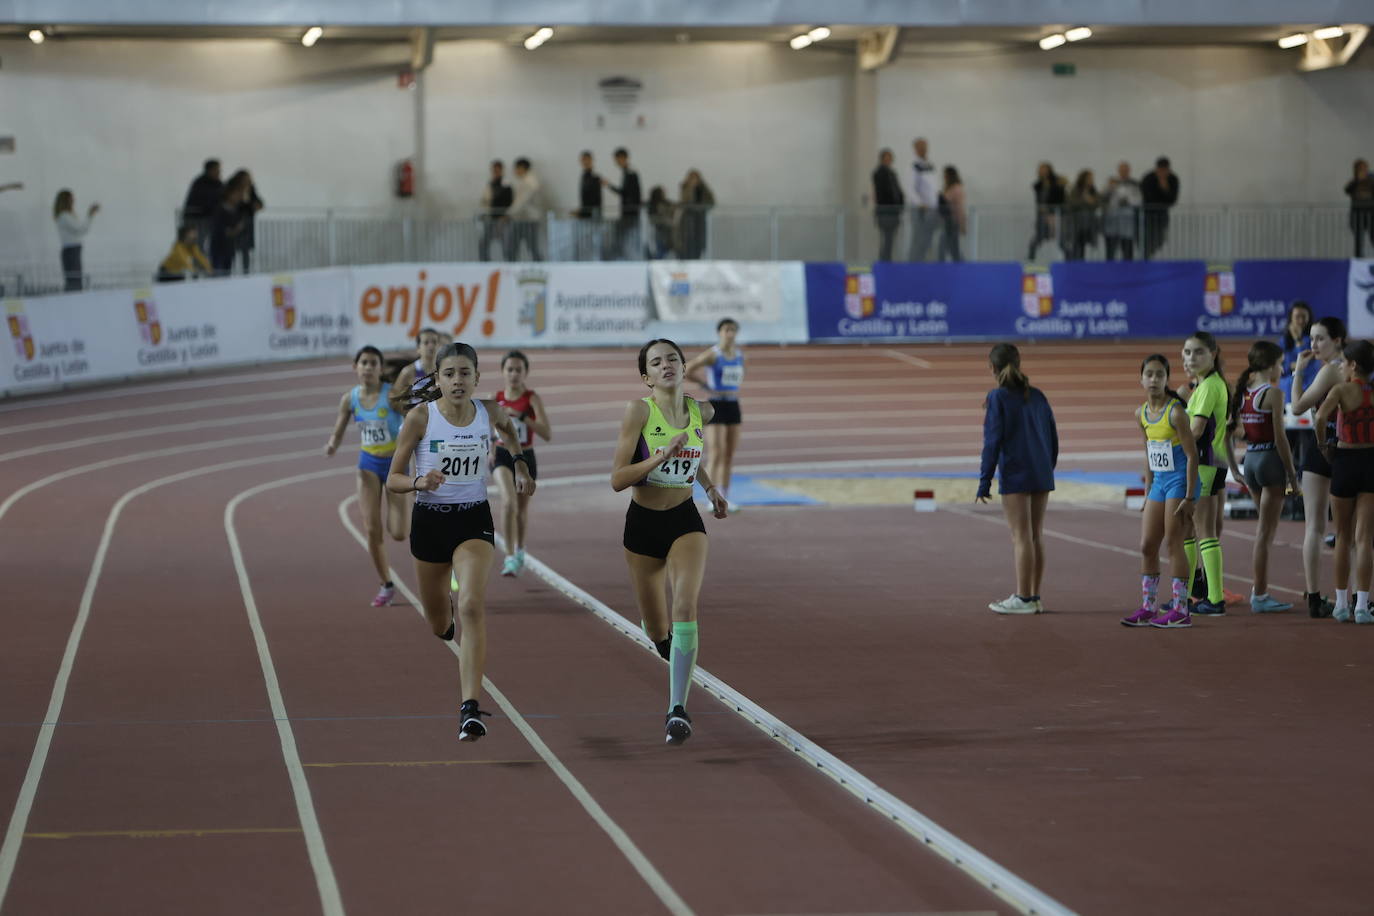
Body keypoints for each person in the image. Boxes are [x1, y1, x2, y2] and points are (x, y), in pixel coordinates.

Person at [386, 342, 534, 740]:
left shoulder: (490, 412)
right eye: (449, 374)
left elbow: (509, 433)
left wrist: (518, 463)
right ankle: (443, 618)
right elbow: (393, 479)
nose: (457, 381)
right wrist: (420, 481)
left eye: (465, 373)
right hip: (429, 523)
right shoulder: (421, 418)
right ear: (437, 379)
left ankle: (470, 707)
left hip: (473, 520)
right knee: (440, 623)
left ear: (477, 378)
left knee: (471, 603)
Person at [611, 339, 729, 744]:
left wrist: (711, 488)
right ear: (646, 377)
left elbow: (691, 458)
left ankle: (676, 709)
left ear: (682, 367)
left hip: (684, 520)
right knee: (658, 630)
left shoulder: (702, 411)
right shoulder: (638, 412)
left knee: (685, 603)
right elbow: (617, 480)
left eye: (673, 359)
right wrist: (658, 457)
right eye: (656, 362)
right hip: (642, 526)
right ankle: (663, 641)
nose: (666, 366)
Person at [976, 343, 1058, 614]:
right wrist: (1048, 467)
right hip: (1041, 471)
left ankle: (1023, 598)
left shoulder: (997, 397)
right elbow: (1053, 436)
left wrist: (985, 480)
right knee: (1036, 535)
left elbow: (992, 442)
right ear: (1019, 363)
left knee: (1020, 536)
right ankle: (1035, 596)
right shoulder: (1037, 396)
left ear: (992, 368)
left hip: (1016, 472)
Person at [326, 345, 409, 607]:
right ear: (355, 367)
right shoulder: (349, 399)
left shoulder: (391, 394)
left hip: (395, 465)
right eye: (364, 363)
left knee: (397, 533)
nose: (368, 368)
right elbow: (339, 428)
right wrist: (332, 444)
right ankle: (386, 583)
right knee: (372, 530)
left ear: (381, 369)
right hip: (368, 465)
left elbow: (415, 418)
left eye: (374, 363)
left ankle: (399, 517)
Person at [1124, 354, 1198, 627]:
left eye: (1159, 375)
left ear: (1167, 379)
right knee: (1147, 545)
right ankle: (1148, 607)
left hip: (1180, 480)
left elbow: (1192, 456)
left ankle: (1181, 610)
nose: (1154, 379)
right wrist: (1146, 492)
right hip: (1159, 483)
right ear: (1141, 378)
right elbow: (1148, 453)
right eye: (1149, 374)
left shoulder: (1175, 412)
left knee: (1173, 543)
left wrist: (1190, 496)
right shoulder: (1140, 413)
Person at [1227, 342, 1300, 613]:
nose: (1282, 369)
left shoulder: (1242, 393)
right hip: (1270, 462)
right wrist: (1292, 476)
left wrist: (1235, 468)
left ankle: (1260, 591)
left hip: (1251, 462)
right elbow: (1281, 439)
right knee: (1264, 534)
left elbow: (1227, 432)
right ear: (1270, 366)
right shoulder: (1273, 394)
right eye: (1281, 364)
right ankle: (1260, 594)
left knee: (1263, 531)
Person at [1290, 316, 1348, 617]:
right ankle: (1353, 598)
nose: (1313, 345)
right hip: (1348, 450)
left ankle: (1314, 597)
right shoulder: (1356, 369)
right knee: (1349, 531)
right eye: (1311, 339)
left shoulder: (1329, 371)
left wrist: (1298, 372)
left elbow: (1297, 406)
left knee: (1315, 526)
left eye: (1320, 338)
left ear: (1338, 340)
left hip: (1323, 447)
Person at [1314, 339, 1374, 624]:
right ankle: (1362, 606)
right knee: (1364, 540)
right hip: (1371, 462)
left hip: (1345, 462)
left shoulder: (1340, 389)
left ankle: (1340, 605)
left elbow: (1320, 417)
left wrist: (1324, 446)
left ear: (1352, 365)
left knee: (1343, 537)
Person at [1181, 332, 1230, 616]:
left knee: (1203, 530)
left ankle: (1214, 598)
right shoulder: (1204, 385)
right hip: (1208, 463)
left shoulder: (1210, 386)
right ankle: (1186, 595)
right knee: (1190, 530)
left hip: (1203, 464)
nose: (1191, 358)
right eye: (1187, 352)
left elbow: (1196, 430)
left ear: (1212, 354)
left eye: (1198, 352)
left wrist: (1169, 437)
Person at [492, 350, 551, 577]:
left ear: (525, 372)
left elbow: (547, 433)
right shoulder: (496, 398)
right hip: (502, 456)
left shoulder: (531, 399)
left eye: (518, 370)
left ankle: (520, 549)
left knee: (520, 511)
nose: (514, 374)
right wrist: (489, 448)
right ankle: (509, 556)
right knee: (508, 502)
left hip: (525, 459)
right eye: (510, 369)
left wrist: (522, 416)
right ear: (503, 371)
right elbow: (488, 428)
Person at [686, 318, 744, 512]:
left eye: (733, 330)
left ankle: (726, 496)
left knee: (728, 455)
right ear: (719, 332)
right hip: (716, 405)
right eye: (726, 330)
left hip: (733, 404)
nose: (730, 333)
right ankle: (709, 497)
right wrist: (703, 384)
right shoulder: (713, 354)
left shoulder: (739, 355)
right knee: (716, 452)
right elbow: (687, 368)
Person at [389, 327, 443, 414]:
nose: (431, 346)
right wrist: (410, 414)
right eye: (426, 342)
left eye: (434, 342)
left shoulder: (445, 371)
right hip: (417, 423)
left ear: (439, 346)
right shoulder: (408, 372)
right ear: (418, 348)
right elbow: (394, 399)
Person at [52, 189, 98, 292]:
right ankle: (72, 301)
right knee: (74, 281)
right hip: (71, 250)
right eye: (71, 198)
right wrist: (90, 215)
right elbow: (80, 229)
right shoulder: (64, 216)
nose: (74, 200)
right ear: (66, 200)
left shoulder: (65, 216)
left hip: (72, 250)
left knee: (75, 280)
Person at [602, 147, 642, 261]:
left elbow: (627, 193)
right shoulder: (627, 173)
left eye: (618, 159)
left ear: (623, 158)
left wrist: (609, 185)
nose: (617, 162)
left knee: (626, 240)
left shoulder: (631, 174)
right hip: (627, 213)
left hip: (630, 214)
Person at [906, 137, 940, 262]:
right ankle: (913, 266)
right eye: (920, 147)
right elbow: (910, 189)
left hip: (932, 209)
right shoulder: (914, 166)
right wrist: (920, 204)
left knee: (928, 240)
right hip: (921, 210)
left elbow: (933, 187)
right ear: (915, 149)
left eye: (925, 146)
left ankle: (923, 265)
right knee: (918, 240)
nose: (923, 149)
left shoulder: (930, 165)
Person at [1140, 156, 1180, 260]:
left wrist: (1165, 187)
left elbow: (1172, 199)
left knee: (1160, 239)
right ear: (1156, 169)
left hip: (1162, 214)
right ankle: (1146, 257)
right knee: (1148, 239)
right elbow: (1147, 197)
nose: (1162, 172)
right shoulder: (1148, 178)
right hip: (1148, 214)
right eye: (1160, 170)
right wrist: (1160, 192)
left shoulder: (1173, 179)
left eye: (1165, 170)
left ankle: (1149, 254)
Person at [505, 158, 544, 261]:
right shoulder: (527, 181)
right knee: (522, 247)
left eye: (516, 168)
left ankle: (541, 267)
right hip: (522, 219)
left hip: (527, 220)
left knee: (526, 247)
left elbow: (521, 202)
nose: (515, 171)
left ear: (522, 168)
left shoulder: (529, 182)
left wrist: (508, 214)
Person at [1103, 161, 1142, 261]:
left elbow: (1138, 200)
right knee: (1111, 249)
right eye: (1122, 170)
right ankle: (1109, 271)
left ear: (1129, 171)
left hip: (1127, 220)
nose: (1124, 172)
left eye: (1126, 170)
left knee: (1127, 249)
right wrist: (1109, 188)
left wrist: (1127, 201)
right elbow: (1103, 197)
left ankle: (1128, 272)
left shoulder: (1135, 183)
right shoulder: (1111, 182)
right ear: (1118, 171)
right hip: (1112, 219)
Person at [181, 159, 222, 253]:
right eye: (217, 169)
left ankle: (201, 265)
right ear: (210, 170)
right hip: (197, 219)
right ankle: (199, 266)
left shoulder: (217, 183)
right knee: (197, 244)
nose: (219, 172)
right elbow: (207, 201)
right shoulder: (201, 183)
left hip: (205, 218)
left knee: (200, 244)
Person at [1027, 163, 1065, 261]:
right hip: (1042, 216)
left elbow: (1060, 198)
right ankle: (1030, 260)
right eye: (1041, 169)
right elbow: (1037, 191)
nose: (1042, 171)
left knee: (1060, 239)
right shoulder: (1038, 184)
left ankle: (1069, 260)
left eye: (1045, 169)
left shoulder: (1057, 183)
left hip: (1054, 215)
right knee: (1038, 238)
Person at [209, 175, 247, 276]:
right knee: (218, 273)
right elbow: (220, 229)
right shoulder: (220, 209)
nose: (240, 197)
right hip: (218, 247)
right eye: (237, 194)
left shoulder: (237, 211)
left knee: (226, 274)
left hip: (229, 248)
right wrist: (234, 230)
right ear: (229, 194)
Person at [871, 148, 904, 262]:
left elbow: (898, 191)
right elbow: (882, 192)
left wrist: (900, 203)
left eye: (890, 158)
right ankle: (884, 260)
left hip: (894, 211)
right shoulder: (879, 173)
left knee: (890, 239)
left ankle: (887, 258)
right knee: (886, 238)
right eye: (886, 158)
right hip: (886, 211)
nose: (888, 161)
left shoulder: (892, 174)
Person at [478, 160, 512, 262]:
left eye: (498, 170)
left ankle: (508, 262)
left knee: (505, 243)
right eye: (494, 170)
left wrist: (506, 215)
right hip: (491, 218)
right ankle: (484, 262)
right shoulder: (490, 184)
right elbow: (485, 200)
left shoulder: (506, 184)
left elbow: (509, 201)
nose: (495, 172)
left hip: (502, 219)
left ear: (502, 170)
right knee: (484, 242)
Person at [232, 169, 264, 274]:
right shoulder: (234, 189)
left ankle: (246, 272)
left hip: (248, 222)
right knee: (233, 248)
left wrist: (255, 205)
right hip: (236, 220)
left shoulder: (251, 189)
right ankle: (229, 271)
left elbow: (258, 202)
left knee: (245, 250)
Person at [573, 150, 603, 260]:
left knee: (594, 241)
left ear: (591, 160)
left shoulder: (594, 178)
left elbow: (595, 200)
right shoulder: (584, 177)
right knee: (585, 242)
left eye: (587, 160)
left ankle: (596, 261)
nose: (585, 162)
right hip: (586, 215)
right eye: (583, 160)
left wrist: (583, 212)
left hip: (592, 215)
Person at [1064, 169, 1100, 261]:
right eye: (1089, 178)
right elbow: (1071, 203)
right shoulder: (1075, 190)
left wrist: (1091, 201)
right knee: (1076, 244)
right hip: (1076, 223)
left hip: (1089, 223)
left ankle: (1082, 262)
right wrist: (1085, 200)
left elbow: (1097, 203)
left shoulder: (1093, 190)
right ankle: (1074, 261)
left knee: (1085, 245)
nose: (1091, 180)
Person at [677, 169, 714, 259]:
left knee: (699, 240)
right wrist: (691, 188)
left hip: (700, 218)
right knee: (688, 239)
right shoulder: (685, 187)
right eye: (692, 178)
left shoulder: (704, 188)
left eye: (696, 178)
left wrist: (702, 207)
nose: (694, 180)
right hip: (688, 219)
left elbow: (711, 201)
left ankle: (697, 257)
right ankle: (687, 257)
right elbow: (684, 201)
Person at [1344, 159, 1374, 257]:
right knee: (1359, 239)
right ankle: (1359, 258)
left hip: (1370, 213)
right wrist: (1357, 180)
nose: (1363, 170)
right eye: (1361, 169)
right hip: (1357, 214)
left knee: (1373, 236)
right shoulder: (1354, 182)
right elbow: (1347, 190)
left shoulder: (1371, 181)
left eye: (1364, 168)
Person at [937, 166, 966, 263]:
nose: (944, 177)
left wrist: (962, 224)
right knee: (951, 248)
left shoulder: (956, 188)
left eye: (945, 175)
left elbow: (959, 208)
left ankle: (960, 267)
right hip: (946, 222)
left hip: (952, 222)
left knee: (950, 248)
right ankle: (958, 265)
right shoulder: (948, 188)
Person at [646, 186, 676, 258]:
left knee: (665, 247)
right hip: (659, 229)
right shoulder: (653, 205)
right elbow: (654, 218)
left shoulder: (666, 203)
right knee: (660, 247)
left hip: (665, 230)